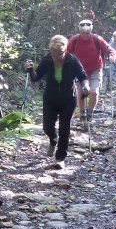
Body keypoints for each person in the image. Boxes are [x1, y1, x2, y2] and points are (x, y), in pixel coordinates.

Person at [25, 35, 88, 166]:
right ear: (51, 51)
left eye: (61, 53)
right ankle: (53, 140)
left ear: (65, 50)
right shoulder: (47, 60)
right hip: (50, 98)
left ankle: (60, 158)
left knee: (64, 128)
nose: (58, 56)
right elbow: (36, 78)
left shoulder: (72, 60)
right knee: (47, 127)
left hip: (68, 99)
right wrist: (30, 69)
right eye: (55, 54)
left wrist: (86, 86)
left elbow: (83, 76)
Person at [66, 19, 115, 121]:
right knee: (80, 92)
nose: (85, 35)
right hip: (79, 71)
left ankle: (90, 112)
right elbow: (66, 53)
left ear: (91, 31)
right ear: (80, 32)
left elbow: (110, 49)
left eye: (87, 33)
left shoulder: (97, 39)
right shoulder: (74, 40)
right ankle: (82, 112)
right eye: (83, 33)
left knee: (94, 92)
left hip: (95, 69)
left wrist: (112, 56)